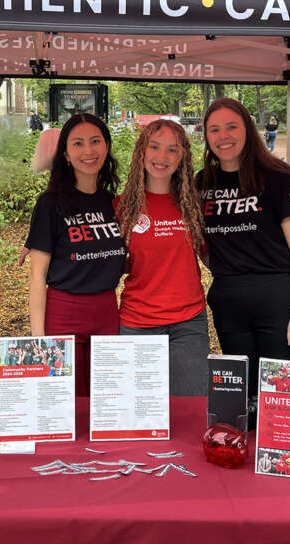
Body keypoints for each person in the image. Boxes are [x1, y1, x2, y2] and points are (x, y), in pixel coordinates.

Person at [197, 98, 290, 419]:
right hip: (229, 303)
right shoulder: (201, 183)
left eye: (232, 126)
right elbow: (202, 244)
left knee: (283, 401)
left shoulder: (277, 178)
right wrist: (225, 266)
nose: (224, 136)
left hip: (277, 300)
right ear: (206, 136)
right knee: (244, 404)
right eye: (214, 129)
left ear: (247, 128)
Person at [25, 113, 125, 396]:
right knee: (64, 404)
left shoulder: (113, 203)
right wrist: (38, 341)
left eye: (96, 142)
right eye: (78, 144)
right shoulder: (50, 204)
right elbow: (37, 277)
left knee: (107, 402)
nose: (88, 151)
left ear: (106, 147)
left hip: (107, 312)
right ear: (66, 154)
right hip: (63, 314)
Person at [114, 118, 208, 396]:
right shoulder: (120, 207)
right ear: (141, 152)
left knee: (189, 409)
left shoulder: (193, 205)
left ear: (183, 158)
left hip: (188, 323)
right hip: (137, 322)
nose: (162, 157)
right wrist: (40, 241)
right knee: (139, 411)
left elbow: (224, 248)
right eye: (154, 147)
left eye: (172, 150)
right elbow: (92, 252)